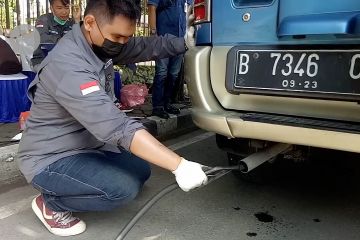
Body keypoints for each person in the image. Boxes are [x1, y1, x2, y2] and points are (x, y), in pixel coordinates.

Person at [17, 0, 206, 237]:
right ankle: (52, 204)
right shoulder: (69, 65)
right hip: (50, 157)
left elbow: (146, 46)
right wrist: (179, 165)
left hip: (86, 146)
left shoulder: (100, 44)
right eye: (117, 37)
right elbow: (117, 127)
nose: (122, 44)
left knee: (140, 170)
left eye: (126, 37)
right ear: (89, 22)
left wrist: (185, 43)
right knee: (122, 190)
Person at [148, 0, 193, 119]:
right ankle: (157, 107)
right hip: (163, 39)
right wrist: (153, 33)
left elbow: (190, 12)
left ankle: (167, 104)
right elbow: (152, 7)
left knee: (173, 74)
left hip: (180, 40)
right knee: (162, 73)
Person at [31, 0, 80, 71]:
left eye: (66, 8)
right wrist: (66, 41)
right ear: (51, 8)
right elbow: (42, 38)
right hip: (43, 61)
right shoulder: (44, 20)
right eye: (59, 8)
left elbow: (80, 41)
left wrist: (77, 20)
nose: (64, 12)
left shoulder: (72, 23)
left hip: (67, 62)